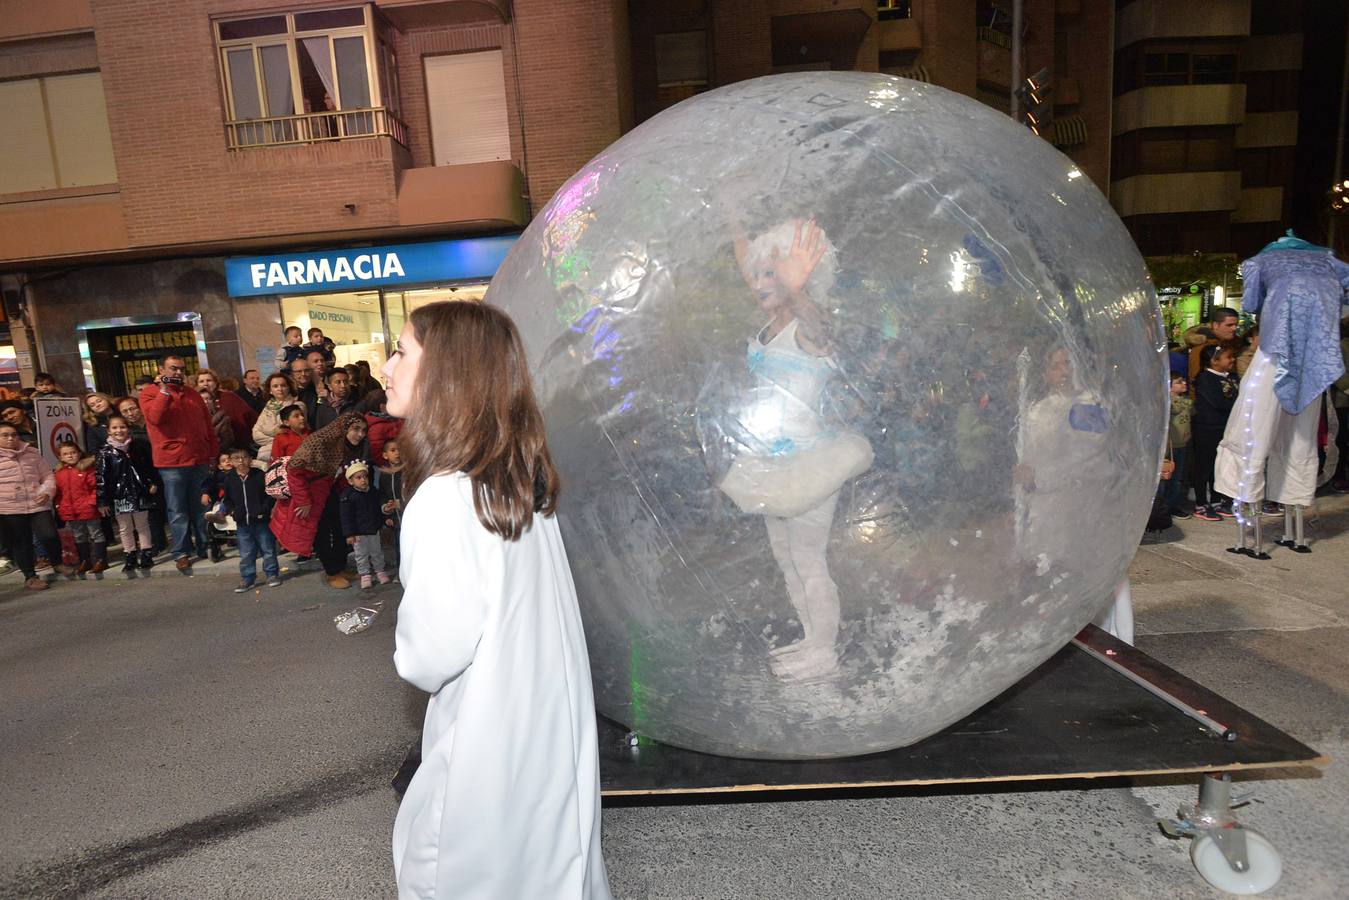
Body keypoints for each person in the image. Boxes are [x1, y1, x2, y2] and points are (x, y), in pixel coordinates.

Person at [384, 301, 609, 898]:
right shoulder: (513, 486)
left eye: (402, 351)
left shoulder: (444, 499)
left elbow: (428, 655)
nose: (386, 366)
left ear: (445, 374)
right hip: (539, 737)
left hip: (487, 754)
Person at [713, 218, 872, 681]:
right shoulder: (771, 326)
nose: (760, 283)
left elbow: (823, 331)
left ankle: (825, 652)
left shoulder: (809, 327)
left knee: (808, 558)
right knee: (787, 559)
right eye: (759, 275)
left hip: (811, 463)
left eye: (770, 274)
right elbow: (751, 269)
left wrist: (798, 289)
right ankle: (811, 638)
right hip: (771, 461)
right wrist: (733, 212)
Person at [141, 353, 219, 573]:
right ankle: (181, 552)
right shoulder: (150, 393)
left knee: (200, 506)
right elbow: (155, 418)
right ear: (162, 370)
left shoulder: (192, 394)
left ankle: (204, 545)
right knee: (177, 510)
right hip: (171, 462)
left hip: (199, 458)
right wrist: (164, 391)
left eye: (181, 369)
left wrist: (212, 453)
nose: (178, 373)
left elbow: (207, 426)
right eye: (173, 368)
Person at [270, 412, 367, 589]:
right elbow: (294, 470)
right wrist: (303, 501)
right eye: (355, 429)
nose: (360, 434)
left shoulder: (347, 445)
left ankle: (340, 568)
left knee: (340, 530)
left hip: (332, 493)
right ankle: (332, 573)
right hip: (313, 495)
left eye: (363, 430)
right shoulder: (319, 441)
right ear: (344, 428)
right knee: (322, 535)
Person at [0, 422, 70, 589]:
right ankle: (30, 576)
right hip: (9, 507)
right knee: (21, 542)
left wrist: (46, 492)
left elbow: (47, 475)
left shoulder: (32, 453)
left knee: (49, 535)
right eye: (5, 435)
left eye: (14, 434)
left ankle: (57, 562)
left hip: (37, 502)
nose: (11, 438)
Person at [95, 414, 158, 576]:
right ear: (108, 431)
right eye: (114, 428)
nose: (119, 430)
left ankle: (146, 553)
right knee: (124, 528)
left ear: (128, 428)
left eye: (122, 427)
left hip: (139, 491)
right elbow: (101, 477)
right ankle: (129, 555)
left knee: (142, 524)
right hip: (119, 495)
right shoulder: (105, 452)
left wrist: (151, 482)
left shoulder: (137, 446)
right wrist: (102, 500)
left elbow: (147, 467)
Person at [220, 446, 281, 592]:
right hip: (242, 523)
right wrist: (232, 511)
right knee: (246, 553)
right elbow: (227, 500)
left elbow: (269, 495)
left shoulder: (259, 475)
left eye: (244, 457)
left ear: (250, 459)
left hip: (261, 521)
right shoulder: (229, 478)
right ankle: (248, 579)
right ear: (231, 461)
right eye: (236, 458)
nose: (241, 461)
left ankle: (272, 574)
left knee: (268, 549)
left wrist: (264, 509)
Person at [1192, 344, 1240, 521]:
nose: (1232, 360)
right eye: (1228, 357)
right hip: (1208, 428)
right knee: (1204, 465)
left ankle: (1217, 500)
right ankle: (1201, 503)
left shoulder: (1232, 377)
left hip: (1225, 428)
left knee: (1219, 465)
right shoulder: (1205, 378)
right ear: (1214, 361)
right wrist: (1237, 406)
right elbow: (1219, 403)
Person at [54, 442, 107, 576]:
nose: (70, 456)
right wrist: (59, 506)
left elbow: (95, 487)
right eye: (66, 454)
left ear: (79, 453)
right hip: (70, 511)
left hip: (88, 508)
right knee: (79, 535)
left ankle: (101, 559)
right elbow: (59, 493)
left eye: (73, 452)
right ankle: (85, 560)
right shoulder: (59, 473)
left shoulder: (87, 469)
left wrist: (92, 502)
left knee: (95, 533)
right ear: (60, 457)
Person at [338, 459, 391, 589]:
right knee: (361, 555)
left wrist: (384, 519)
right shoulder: (347, 496)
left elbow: (377, 509)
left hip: (373, 529)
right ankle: (365, 574)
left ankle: (380, 571)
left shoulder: (372, 492)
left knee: (376, 552)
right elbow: (346, 517)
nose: (363, 480)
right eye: (358, 477)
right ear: (351, 481)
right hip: (358, 533)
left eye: (365, 476)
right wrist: (349, 534)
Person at [195, 368, 257, 448]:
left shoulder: (229, 397)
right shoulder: (193, 400)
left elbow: (250, 416)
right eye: (201, 381)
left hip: (235, 445)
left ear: (215, 382)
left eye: (209, 380)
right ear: (197, 384)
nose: (205, 384)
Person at [1164, 372, 1193, 519]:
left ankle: (1172, 505)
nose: (1184, 384)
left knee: (1178, 477)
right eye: (1179, 382)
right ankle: (1165, 506)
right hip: (1171, 446)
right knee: (1170, 477)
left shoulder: (1186, 401)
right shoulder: (1169, 402)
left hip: (1183, 443)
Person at [1185, 307, 1239, 385]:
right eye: (1229, 325)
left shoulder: (1234, 343)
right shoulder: (1202, 347)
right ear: (1216, 325)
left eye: (1236, 325)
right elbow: (1194, 379)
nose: (1234, 328)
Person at [252, 373, 298, 463]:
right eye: (275, 386)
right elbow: (256, 434)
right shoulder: (268, 407)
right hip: (269, 455)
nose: (280, 389)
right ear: (270, 390)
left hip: (289, 455)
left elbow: (289, 434)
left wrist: (265, 429)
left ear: (289, 387)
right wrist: (277, 439)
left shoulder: (296, 405)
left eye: (283, 385)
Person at [362, 389, 402, 466]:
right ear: (383, 407)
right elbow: (376, 452)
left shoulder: (392, 418)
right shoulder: (377, 427)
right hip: (390, 466)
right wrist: (387, 466)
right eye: (390, 401)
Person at [290, 357, 319, 425]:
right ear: (292, 374)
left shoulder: (318, 389)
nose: (303, 374)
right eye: (299, 371)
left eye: (306, 370)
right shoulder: (289, 392)